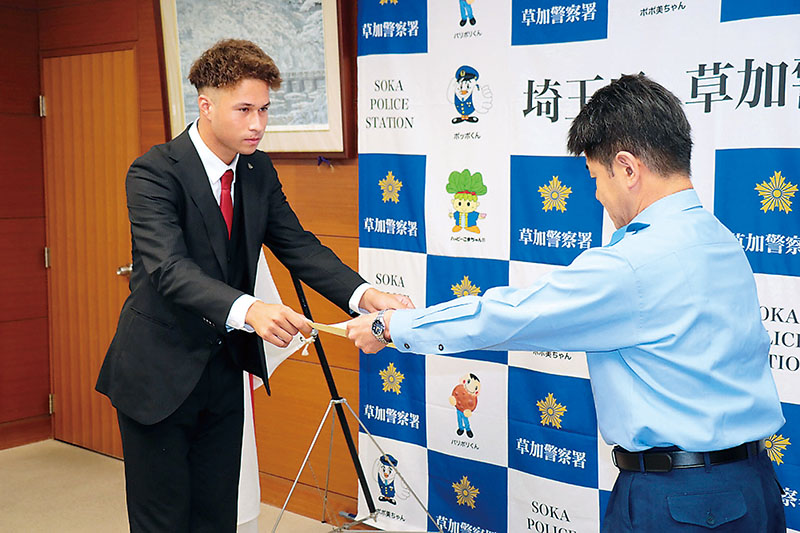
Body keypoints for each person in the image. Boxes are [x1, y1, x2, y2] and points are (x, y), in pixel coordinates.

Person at [347, 74, 787, 532]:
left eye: (596, 178)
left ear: (627, 168)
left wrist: (391, 326)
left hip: (681, 503)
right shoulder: (720, 238)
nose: (597, 194)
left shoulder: (634, 263)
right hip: (753, 487)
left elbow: (510, 316)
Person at [96, 39, 412, 532]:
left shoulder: (257, 168)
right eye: (244, 110)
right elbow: (169, 269)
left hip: (223, 370)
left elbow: (298, 246)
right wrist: (251, 309)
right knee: (163, 520)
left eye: (264, 109)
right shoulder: (155, 172)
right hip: (157, 372)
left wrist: (365, 294)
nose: (258, 124)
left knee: (217, 515)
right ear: (206, 105)